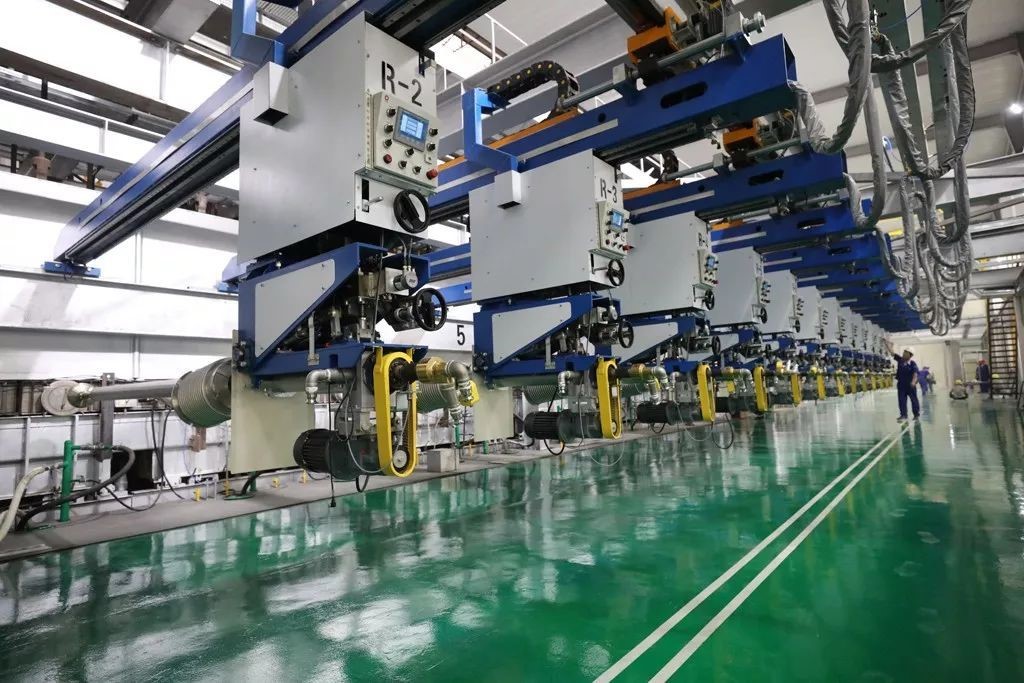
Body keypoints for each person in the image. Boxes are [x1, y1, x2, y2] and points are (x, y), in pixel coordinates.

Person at [884, 340, 920, 421]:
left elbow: (915, 374)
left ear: (910, 355)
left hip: (910, 385)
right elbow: (892, 353)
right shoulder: (900, 360)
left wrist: (913, 382)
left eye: (906, 353)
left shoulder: (912, 363)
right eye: (904, 352)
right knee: (901, 400)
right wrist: (887, 344)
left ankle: (916, 415)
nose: (903, 354)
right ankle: (903, 415)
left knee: (914, 400)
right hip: (901, 385)